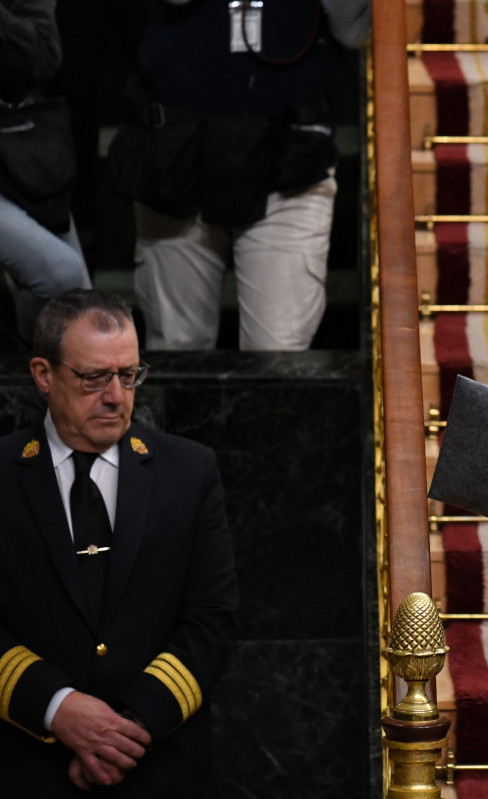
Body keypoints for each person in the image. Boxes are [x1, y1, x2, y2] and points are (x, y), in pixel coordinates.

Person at [0, 288, 239, 796]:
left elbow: (212, 617)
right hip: (25, 764)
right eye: (93, 378)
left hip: (157, 762)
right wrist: (56, 706)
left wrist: (124, 731)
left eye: (128, 376)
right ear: (43, 374)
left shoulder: (188, 471)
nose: (115, 396)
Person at [108, 0, 371, 351]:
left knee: (278, 351)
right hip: (176, 157)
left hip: (291, 163)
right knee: (176, 345)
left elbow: (354, 30)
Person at [0, 0, 92, 347]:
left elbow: (44, 57)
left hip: (18, 145)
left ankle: (27, 372)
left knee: (75, 304)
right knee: (59, 274)